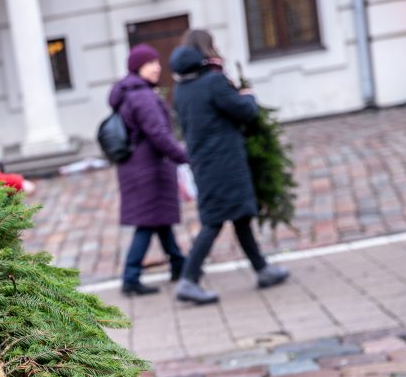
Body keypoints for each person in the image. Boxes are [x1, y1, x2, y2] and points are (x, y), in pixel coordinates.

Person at [169, 29, 289, 304]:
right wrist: (247, 95)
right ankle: (188, 280)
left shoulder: (181, 89)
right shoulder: (213, 82)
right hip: (224, 162)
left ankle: (262, 269)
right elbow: (244, 111)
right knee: (213, 221)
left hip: (205, 161)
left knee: (240, 216)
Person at [108, 44, 189, 296]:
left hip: (139, 166)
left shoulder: (131, 93)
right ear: (136, 67)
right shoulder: (142, 96)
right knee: (147, 222)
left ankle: (179, 264)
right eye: (149, 63)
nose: (156, 67)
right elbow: (158, 133)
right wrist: (183, 156)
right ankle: (130, 277)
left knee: (159, 218)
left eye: (157, 62)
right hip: (148, 169)